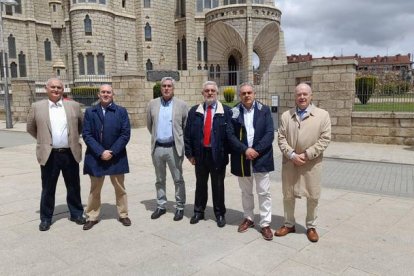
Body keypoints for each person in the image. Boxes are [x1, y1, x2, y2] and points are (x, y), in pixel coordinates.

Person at [27, 78, 86, 231]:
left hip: (70, 153)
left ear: (63, 89)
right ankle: (46, 218)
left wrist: (72, 139)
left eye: (59, 87)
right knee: (48, 188)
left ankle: (76, 213)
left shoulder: (73, 105)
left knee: (73, 186)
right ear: (46, 88)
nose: (56, 90)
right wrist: (44, 141)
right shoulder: (37, 106)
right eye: (52, 87)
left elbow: (80, 125)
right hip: (49, 154)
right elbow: (31, 128)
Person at [275, 82, 331, 242]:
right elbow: (281, 138)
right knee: (288, 195)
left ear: (311, 96)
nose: (302, 97)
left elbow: (325, 139)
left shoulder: (323, 115)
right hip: (290, 163)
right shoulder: (286, 116)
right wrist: (292, 155)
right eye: (299, 94)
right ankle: (289, 223)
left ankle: (311, 226)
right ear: (295, 96)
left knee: (313, 196)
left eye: (305, 94)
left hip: (311, 164)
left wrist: (307, 154)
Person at [228, 83, 275, 241]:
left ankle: (265, 224)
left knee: (264, 192)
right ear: (239, 95)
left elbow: (270, 133)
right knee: (246, 192)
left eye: (249, 92)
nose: (246, 95)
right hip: (242, 158)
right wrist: (245, 150)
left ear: (254, 94)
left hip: (261, 157)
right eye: (243, 93)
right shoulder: (233, 111)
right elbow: (230, 135)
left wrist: (256, 150)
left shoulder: (264, 110)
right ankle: (248, 218)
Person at [82, 84, 132, 230]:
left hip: (116, 156)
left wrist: (112, 152)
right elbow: (87, 134)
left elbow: (125, 134)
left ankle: (123, 214)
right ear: (98, 94)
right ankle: (92, 216)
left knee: (120, 188)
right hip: (96, 157)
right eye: (103, 92)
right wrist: (100, 152)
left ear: (113, 94)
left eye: (108, 92)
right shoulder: (90, 112)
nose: (105, 94)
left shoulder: (121, 111)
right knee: (95, 189)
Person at [184, 81, 232, 228]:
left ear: (217, 93)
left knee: (218, 185)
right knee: (200, 184)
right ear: (202, 93)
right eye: (207, 91)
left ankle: (219, 214)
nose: (210, 93)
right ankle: (199, 211)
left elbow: (231, 136)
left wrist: (226, 154)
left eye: (212, 91)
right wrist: (190, 154)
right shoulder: (194, 111)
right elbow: (187, 135)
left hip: (218, 155)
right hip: (200, 154)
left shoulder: (226, 111)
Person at [146, 77, 188, 221]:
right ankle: (161, 205)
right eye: (164, 86)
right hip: (157, 148)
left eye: (169, 86)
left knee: (178, 179)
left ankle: (180, 207)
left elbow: (185, 125)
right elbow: (149, 125)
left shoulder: (181, 105)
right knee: (159, 179)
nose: (166, 88)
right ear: (160, 88)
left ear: (173, 88)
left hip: (173, 148)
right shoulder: (152, 104)